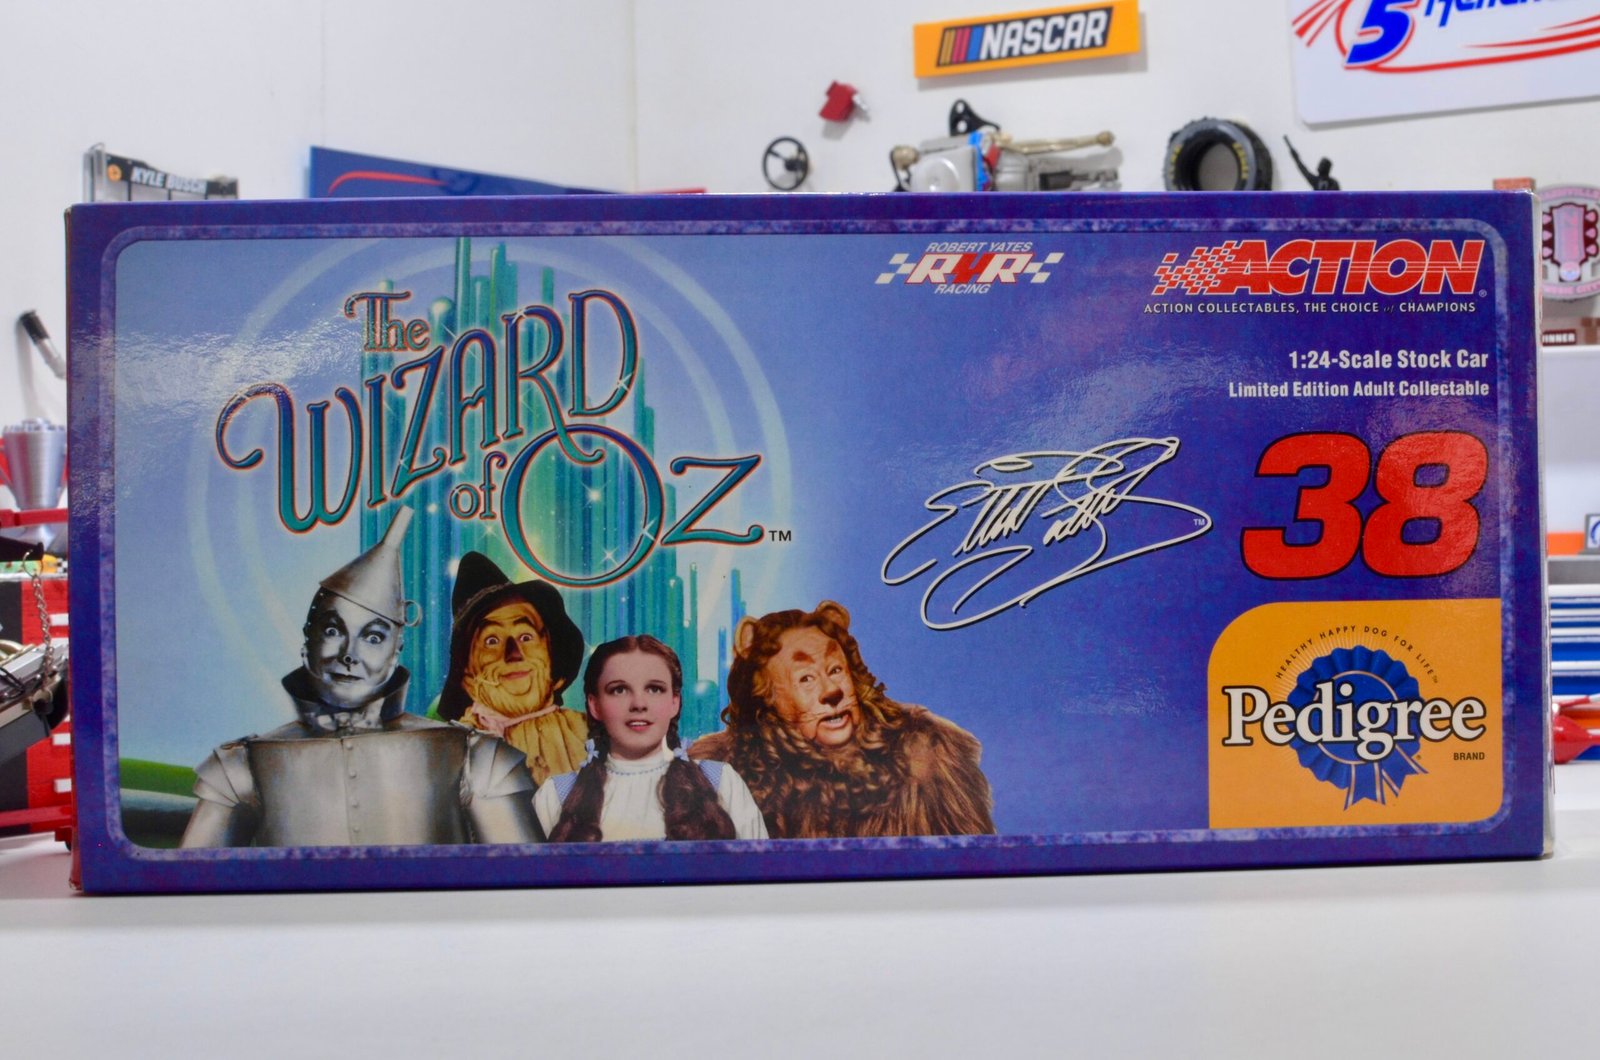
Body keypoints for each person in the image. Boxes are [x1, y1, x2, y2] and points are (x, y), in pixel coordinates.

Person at [181, 510, 541, 847]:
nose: (349, 654)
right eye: (333, 630)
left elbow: (525, 883)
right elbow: (193, 885)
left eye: (373, 637)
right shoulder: (240, 766)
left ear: (396, 649)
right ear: (307, 639)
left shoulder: (477, 758)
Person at [689, 600, 995, 839]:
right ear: (765, 697)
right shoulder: (718, 773)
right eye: (806, 678)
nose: (831, 691)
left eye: (835, 670)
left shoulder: (924, 760)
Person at [536, 635, 767, 842]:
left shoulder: (722, 783)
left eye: (654, 689)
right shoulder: (555, 795)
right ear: (594, 705)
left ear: (675, 702)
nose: (639, 704)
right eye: (619, 690)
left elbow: (762, 874)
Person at [437, 551, 588, 785]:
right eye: (491, 641)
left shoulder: (592, 736)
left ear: (551, 656)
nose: (514, 654)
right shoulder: (450, 752)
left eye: (526, 637)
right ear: (467, 672)